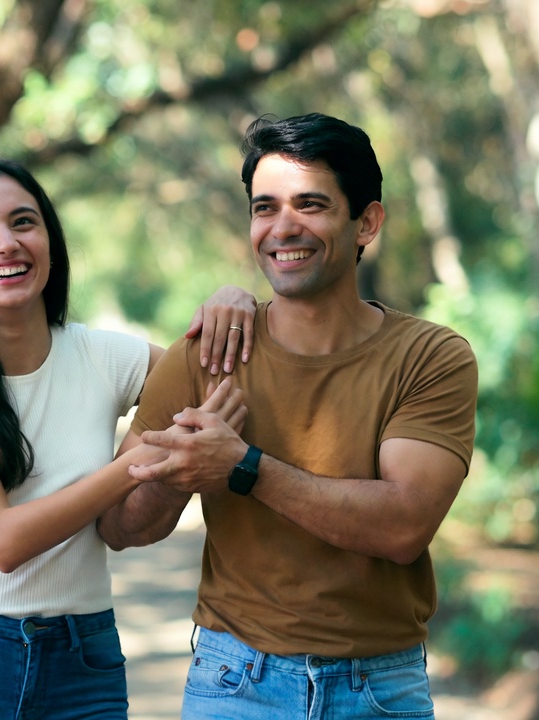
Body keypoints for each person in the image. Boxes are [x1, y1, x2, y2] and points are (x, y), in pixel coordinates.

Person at [98, 113, 478, 719]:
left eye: (310, 204)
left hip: (380, 689)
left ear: (367, 222)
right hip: (233, 684)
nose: (282, 228)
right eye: (264, 207)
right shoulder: (204, 354)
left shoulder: (430, 357)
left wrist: (242, 467)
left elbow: (403, 527)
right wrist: (179, 467)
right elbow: (120, 526)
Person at [0, 158, 254, 719]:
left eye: (23, 222)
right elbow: (3, 542)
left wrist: (234, 297)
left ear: (51, 244)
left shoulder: (105, 356)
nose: (6, 243)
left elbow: (208, 374)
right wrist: (147, 452)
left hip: (84, 660)